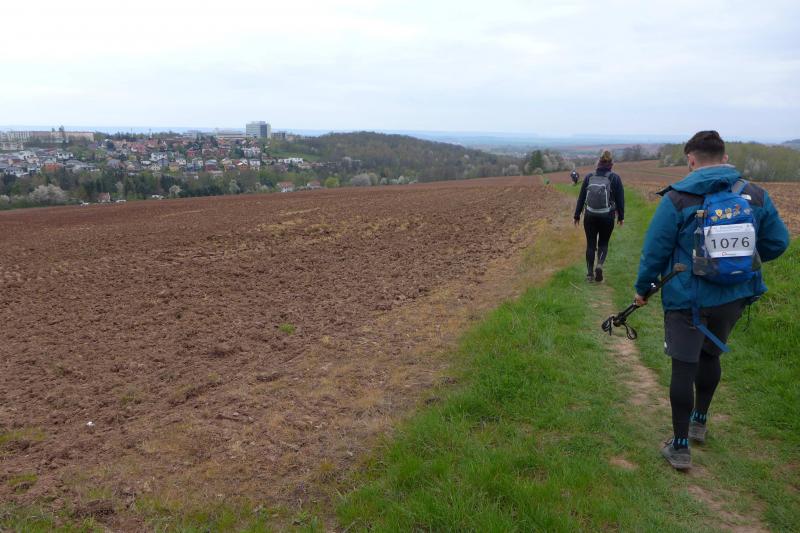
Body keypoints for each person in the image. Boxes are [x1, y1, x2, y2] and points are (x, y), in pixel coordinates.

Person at [633, 130, 789, 470]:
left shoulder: (677, 198)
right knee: (710, 355)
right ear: (725, 158)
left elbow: (655, 252)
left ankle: (680, 447)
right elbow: (779, 242)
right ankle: (699, 421)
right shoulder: (755, 195)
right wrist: (741, 261)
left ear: (691, 161)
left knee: (683, 366)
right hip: (734, 296)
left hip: (687, 299)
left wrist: (643, 289)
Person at [574, 150, 624, 282]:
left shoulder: (589, 177)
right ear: (611, 163)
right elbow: (620, 199)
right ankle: (600, 265)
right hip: (607, 216)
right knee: (603, 243)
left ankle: (589, 275)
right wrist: (621, 216)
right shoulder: (615, 178)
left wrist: (577, 215)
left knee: (590, 244)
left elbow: (581, 197)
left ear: (598, 162)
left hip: (590, 215)